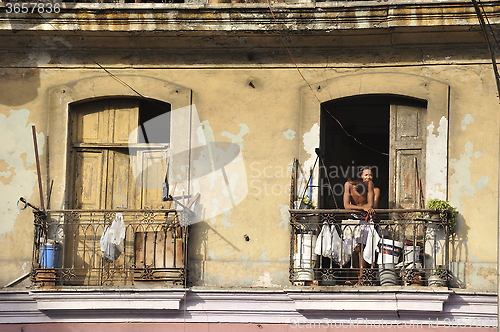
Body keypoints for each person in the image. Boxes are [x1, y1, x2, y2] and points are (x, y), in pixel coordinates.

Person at [342, 166, 376, 285]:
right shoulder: (348, 185)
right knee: (353, 249)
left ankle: (362, 277)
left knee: (362, 248)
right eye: (366, 175)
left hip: (364, 220)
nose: (368, 177)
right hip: (352, 220)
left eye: (370, 175)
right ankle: (355, 277)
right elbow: (346, 206)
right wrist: (362, 207)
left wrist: (364, 208)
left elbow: (370, 204)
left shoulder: (369, 185)